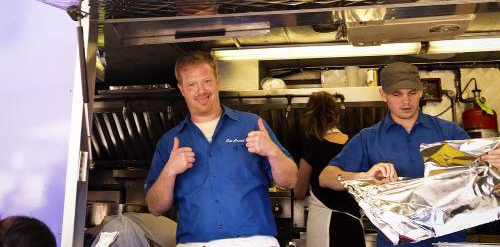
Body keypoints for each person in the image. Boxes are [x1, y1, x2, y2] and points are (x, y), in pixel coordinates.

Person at [145, 50, 298, 246]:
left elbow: (291, 180)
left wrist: (273, 152)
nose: (201, 91)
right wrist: (170, 170)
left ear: (217, 81)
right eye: (191, 84)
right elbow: (155, 207)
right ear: (182, 89)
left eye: (206, 81)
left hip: (254, 242)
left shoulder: (252, 125)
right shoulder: (169, 142)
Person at [318, 62, 471, 247]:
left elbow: (479, 177)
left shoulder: (451, 133)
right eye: (396, 94)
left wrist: (493, 163)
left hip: (448, 241)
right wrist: (363, 177)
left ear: (421, 91)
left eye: (412, 93)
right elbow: (325, 178)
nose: (405, 101)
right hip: (396, 243)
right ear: (383, 95)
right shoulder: (368, 138)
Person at [294, 91, 366, 247]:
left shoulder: (313, 144)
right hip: (353, 224)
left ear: (310, 118)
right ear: (337, 116)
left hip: (325, 226)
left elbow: (299, 192)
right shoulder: (354, 142)